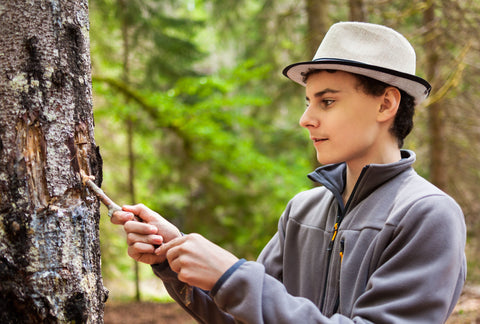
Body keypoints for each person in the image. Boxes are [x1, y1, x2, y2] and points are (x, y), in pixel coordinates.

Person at [111, 22, 466, 323]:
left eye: (327, 101)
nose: (306, 118)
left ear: (386, 104)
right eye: (307, 102)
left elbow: (249, 293)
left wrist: (232, 276)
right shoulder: (303, 210)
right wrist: (171, 256)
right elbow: (247, 313)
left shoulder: (428, 215)